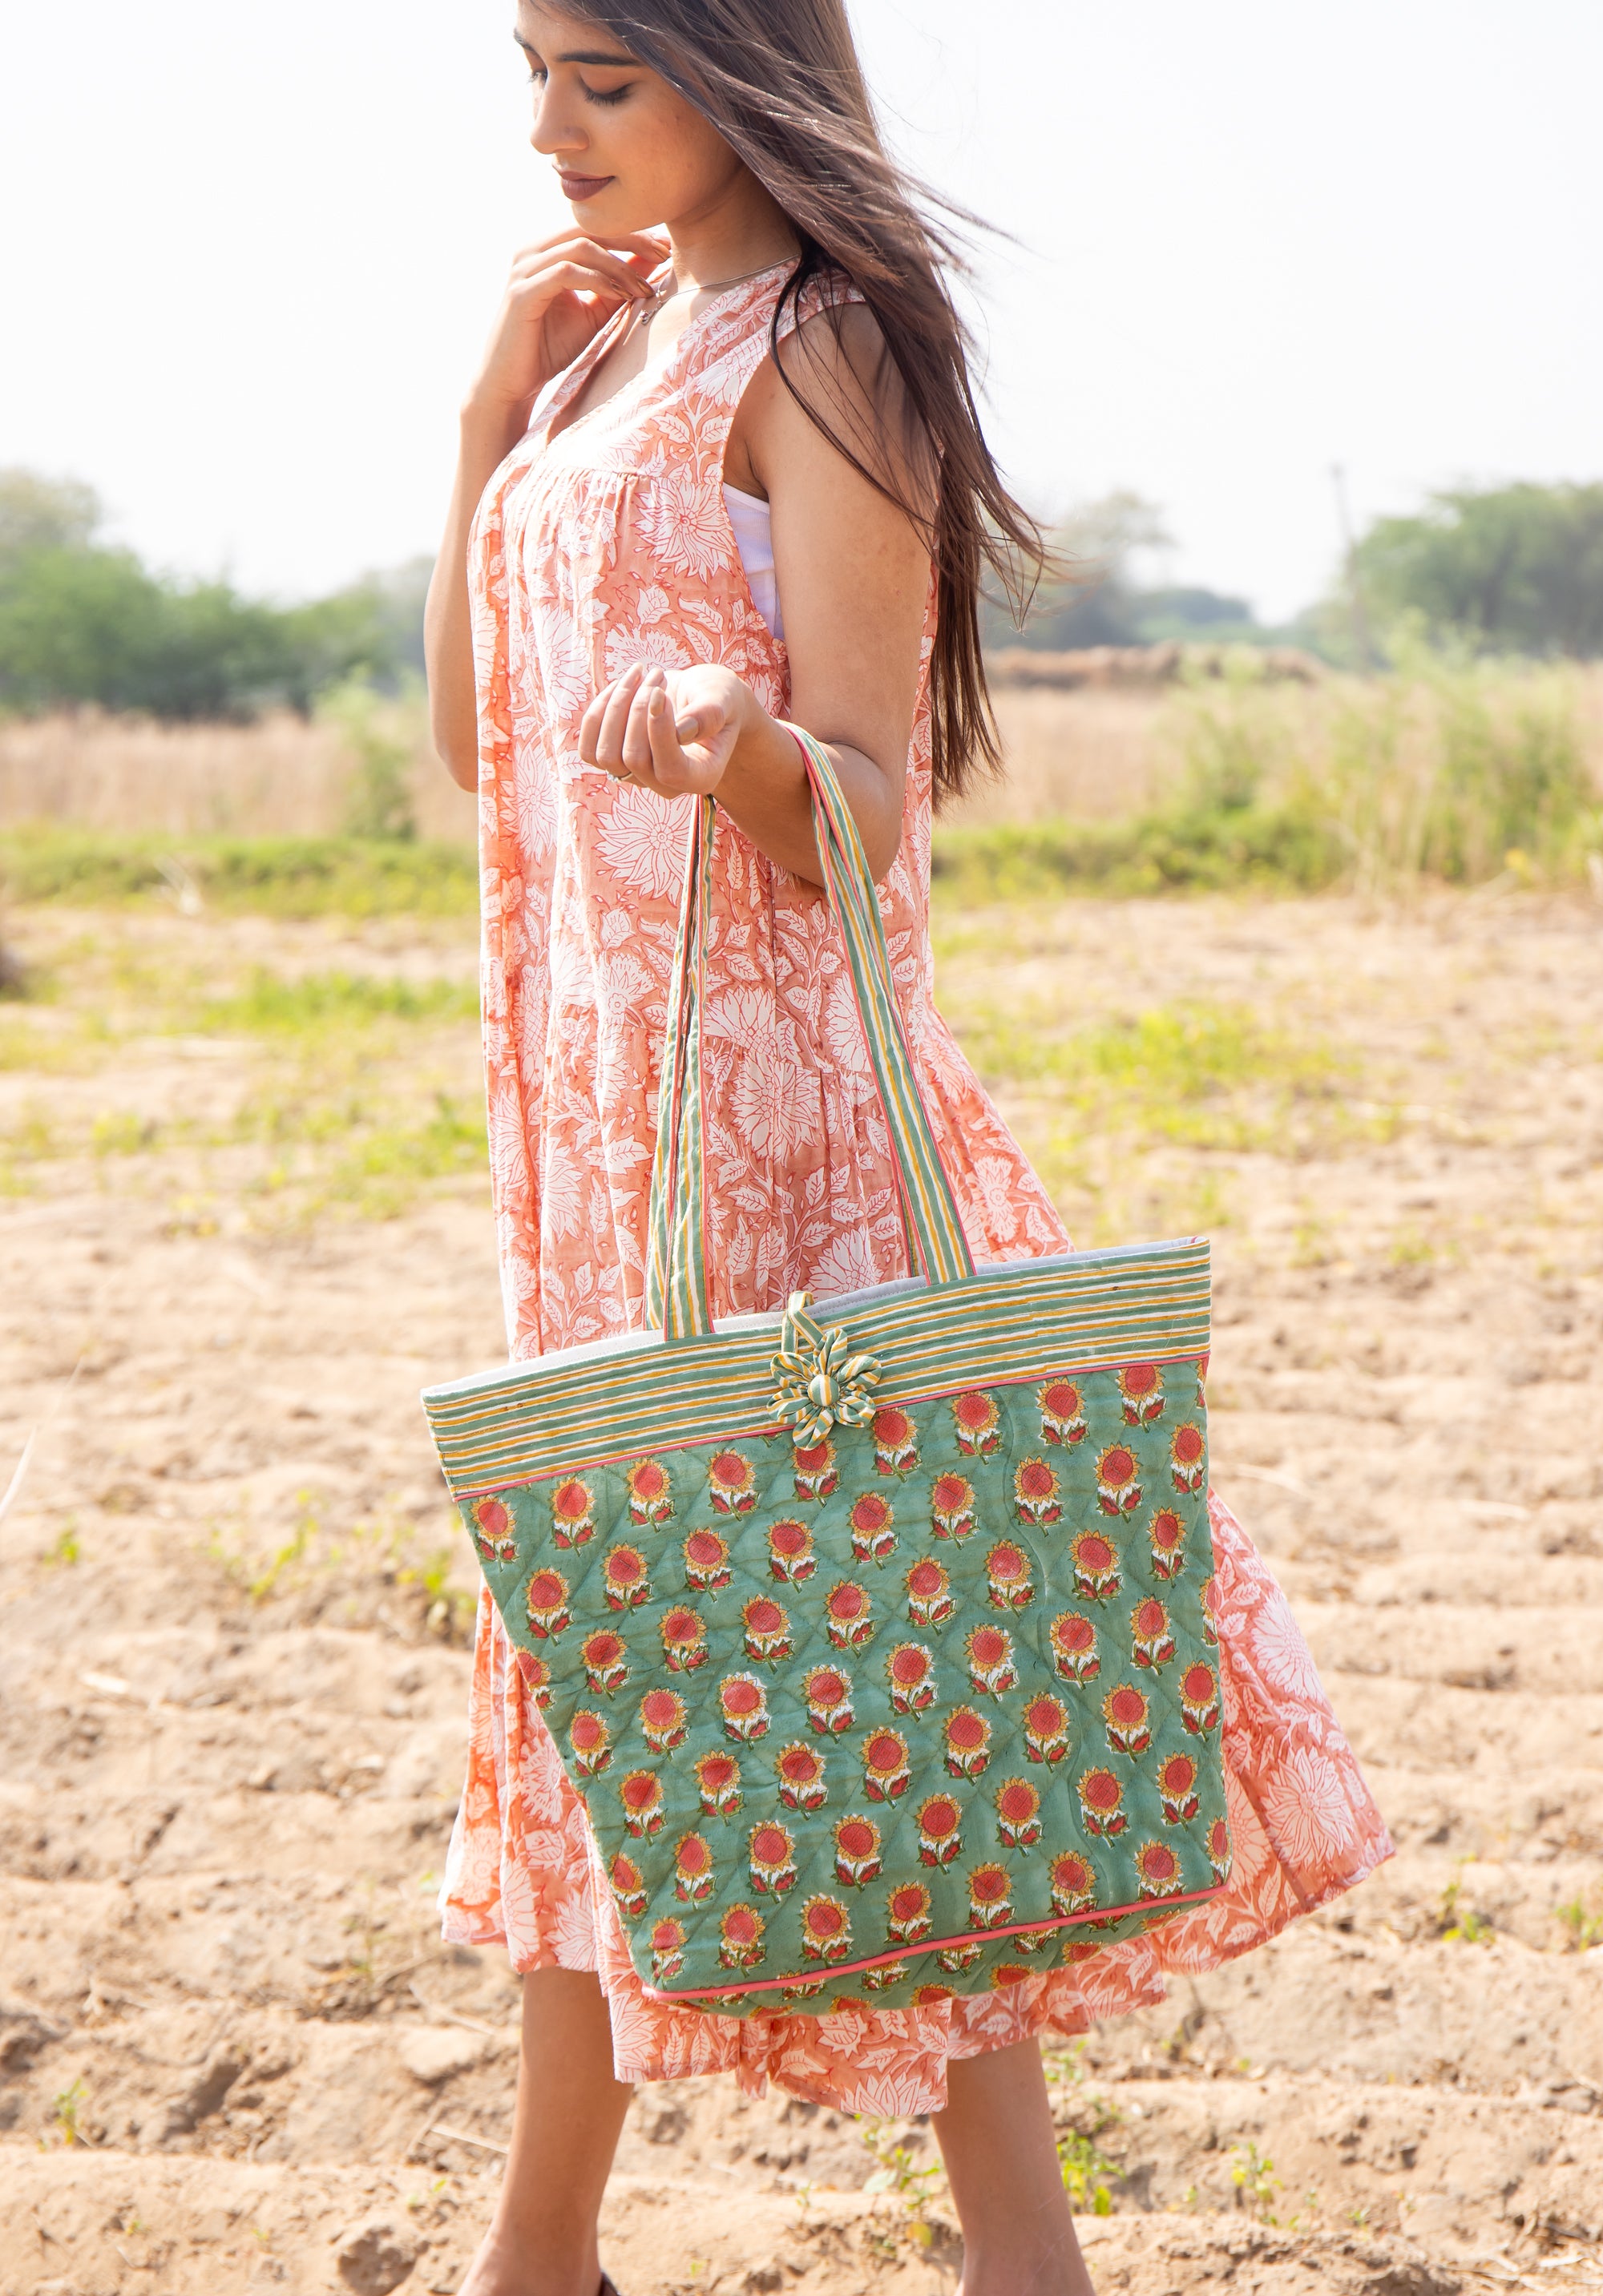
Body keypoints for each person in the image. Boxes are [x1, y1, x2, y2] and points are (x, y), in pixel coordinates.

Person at [423, 6, 1393, 2292]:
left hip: (780, 1110)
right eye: (535, 73)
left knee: (898, 1660)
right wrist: (478, 420)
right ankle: (552, 2247)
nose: (549, 127)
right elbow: (482, 744)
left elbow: (865, 796)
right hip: (593, 1114)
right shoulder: (595, 352)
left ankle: (956, 2250)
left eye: (601, 77)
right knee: (624, 1636)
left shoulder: (825, 343)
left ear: (734, 68)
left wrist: (737, 746)